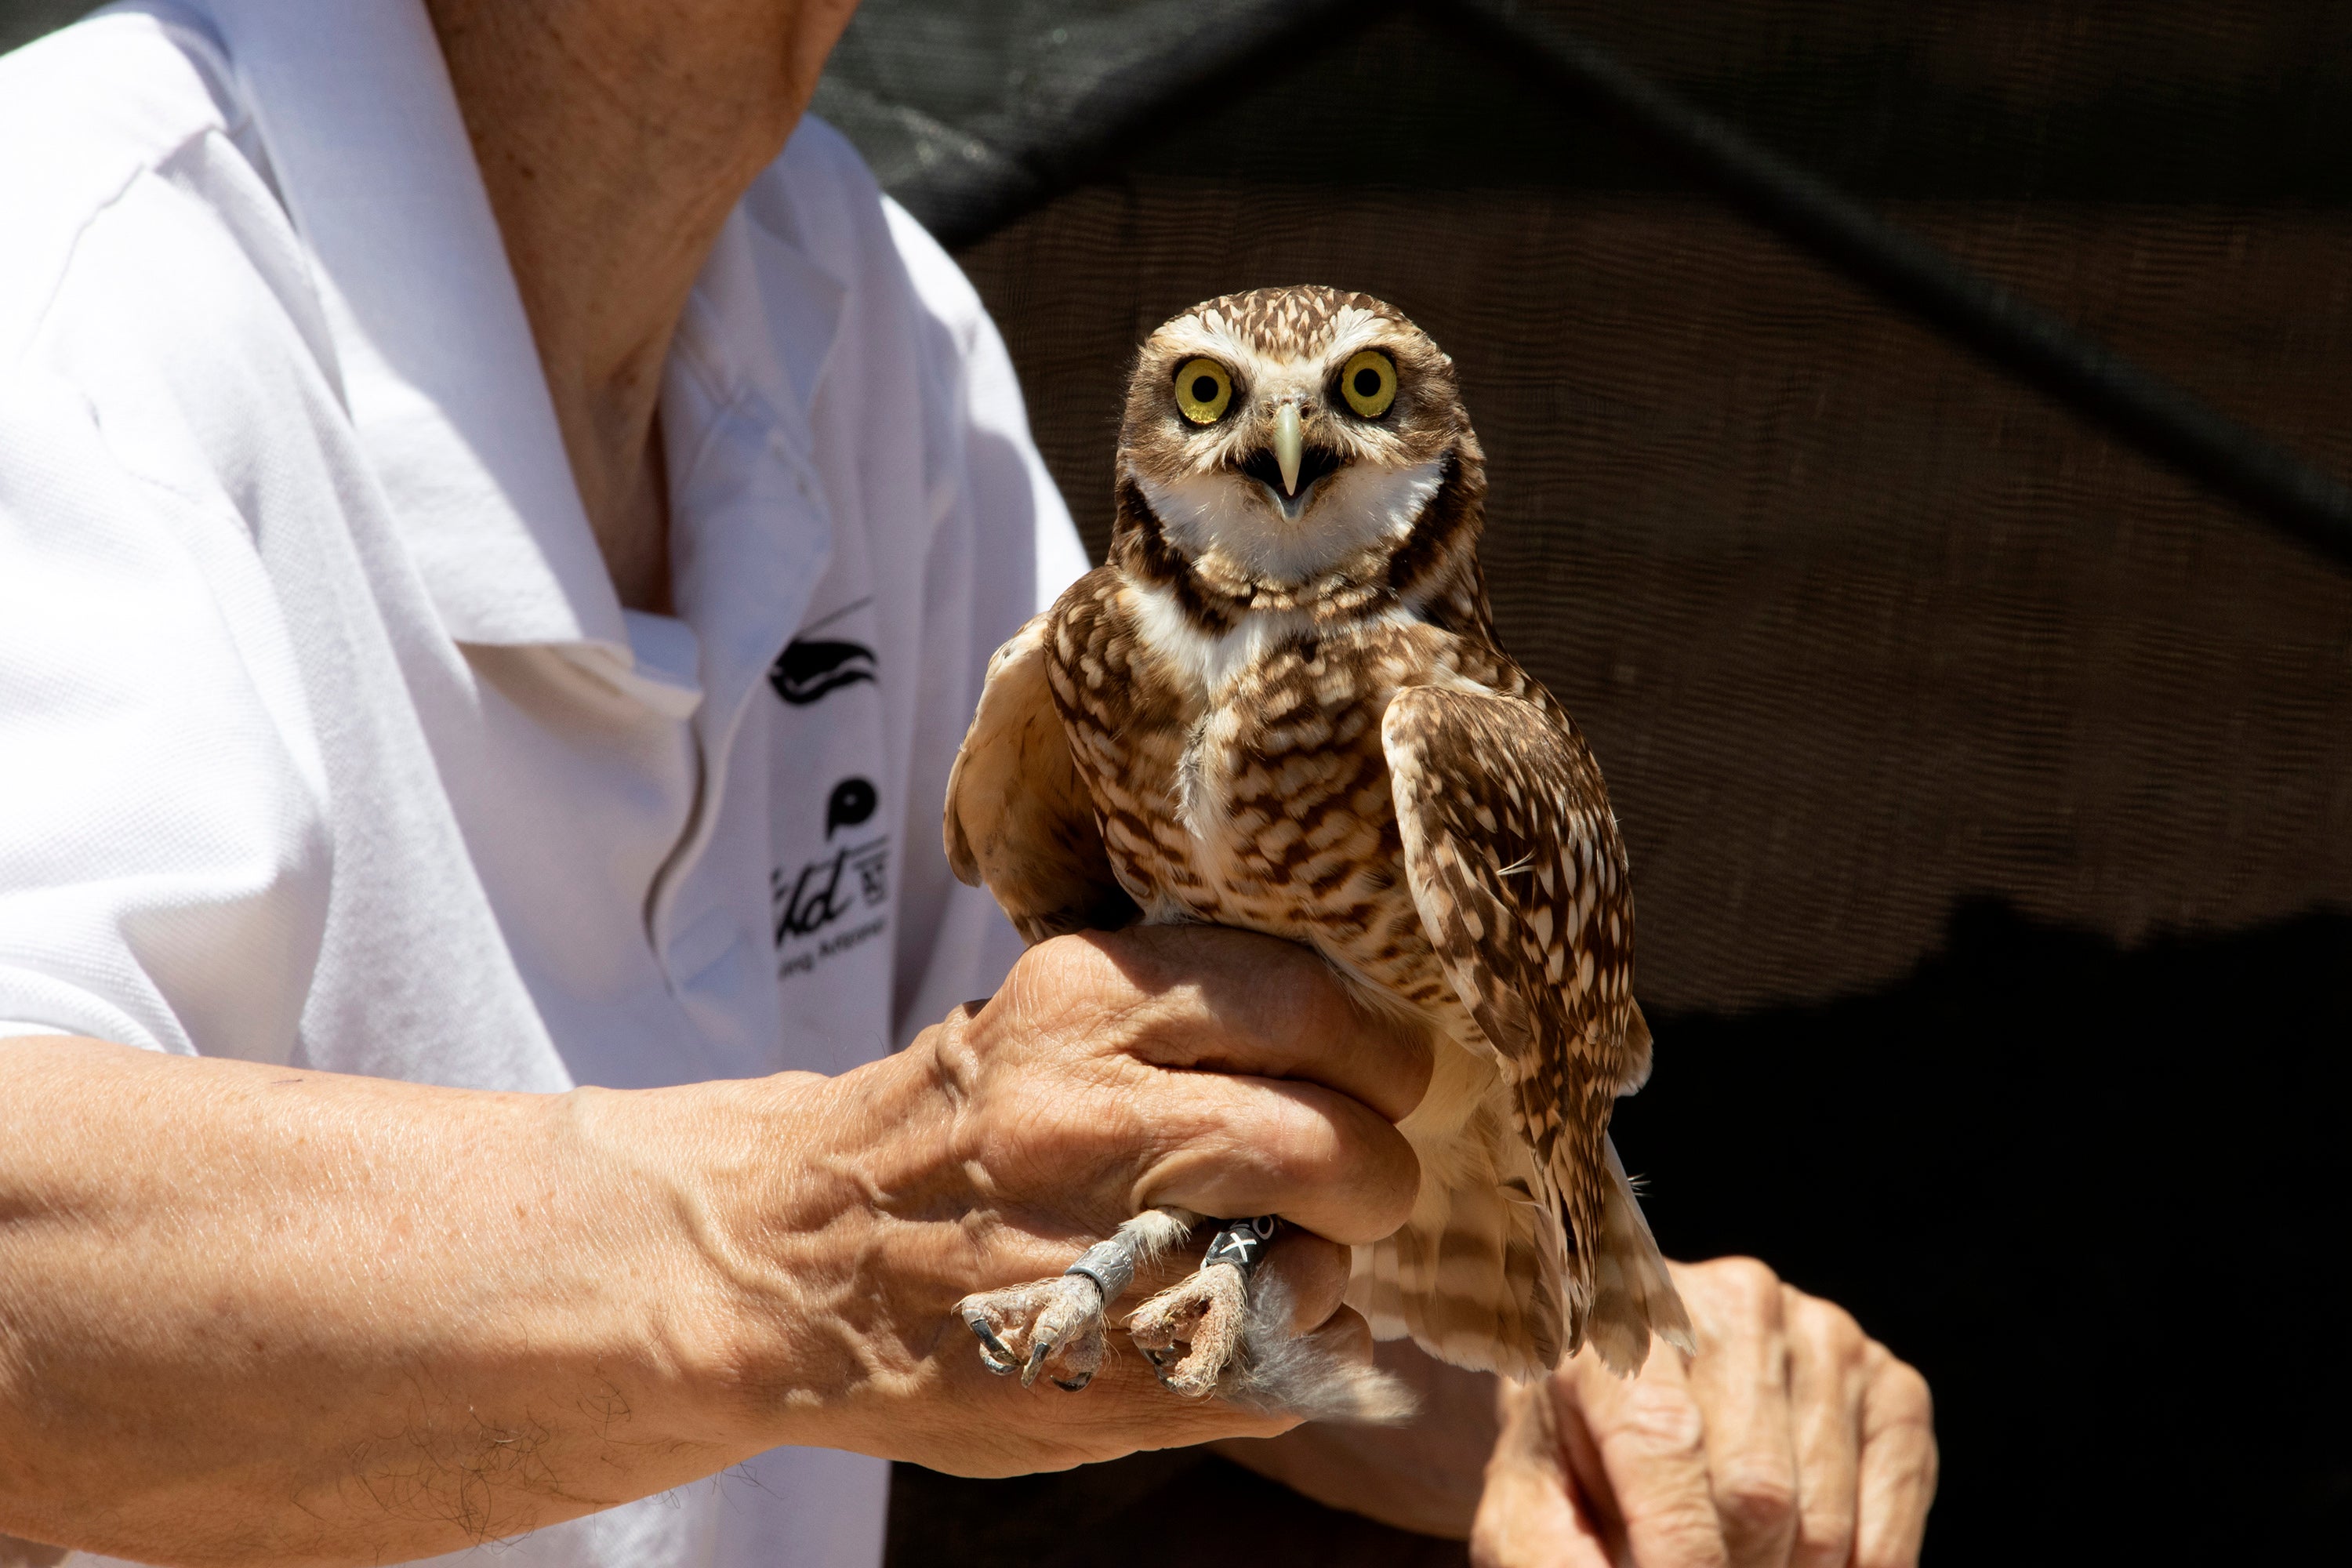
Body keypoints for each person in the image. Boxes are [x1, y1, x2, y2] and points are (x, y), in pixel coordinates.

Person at [0, 2, 1936, 1565]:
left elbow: (1096, 1166)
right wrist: (802, 1250)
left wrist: (1569, 1387)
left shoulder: (854, 312)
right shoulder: (65, 289)